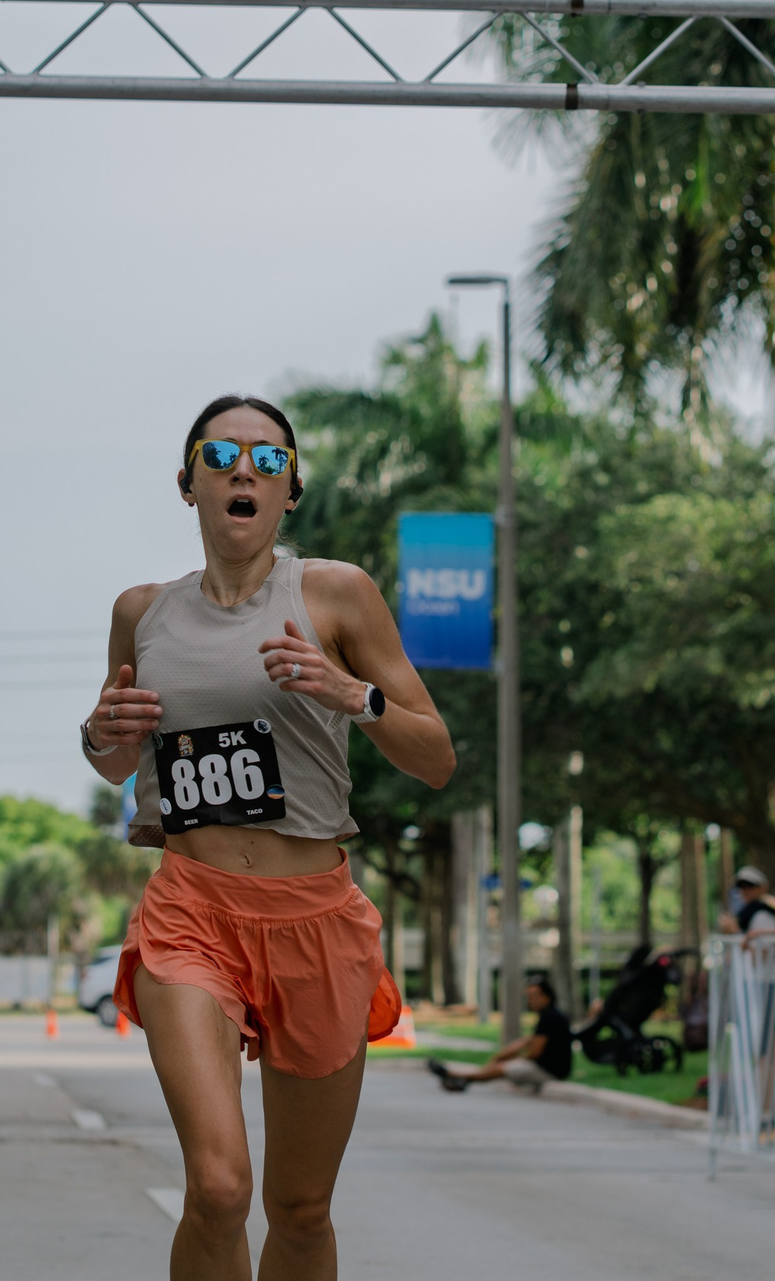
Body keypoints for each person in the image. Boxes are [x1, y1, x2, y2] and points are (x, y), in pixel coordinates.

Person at [79, 394, 456, 1281]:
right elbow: (114, 758)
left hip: (314, 916)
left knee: (299, 1208)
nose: (243, 469)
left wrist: (348, 692)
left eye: (269, 459)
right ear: (189, 486)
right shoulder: (142, 611)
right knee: (216, 1186)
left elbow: (435, 755)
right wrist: (101, 732)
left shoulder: (335, 593)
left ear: (290, 492)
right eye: (220, 455)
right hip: (191, 909)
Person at [429, 973, 571, 1093]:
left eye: (533, 996)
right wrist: (502, 1056)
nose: (530, 1000)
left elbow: (534, 1052)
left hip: (549, 1070)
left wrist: (513, 1058)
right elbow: (526, 1042)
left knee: (501, 1068)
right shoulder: (550, 1015)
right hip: (547, 1067)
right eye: (528, 996)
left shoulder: (550, 1017)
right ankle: (461, 1078)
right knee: (504, 1060)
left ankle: (456, 1076)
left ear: (546, 996)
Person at [730, 866, 775, 936]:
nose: (745, 890)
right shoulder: (745, 913)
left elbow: (763, 945)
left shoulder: (763, 914)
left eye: (749, 886)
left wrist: (735, 931)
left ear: (764, 887)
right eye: (741, 886)